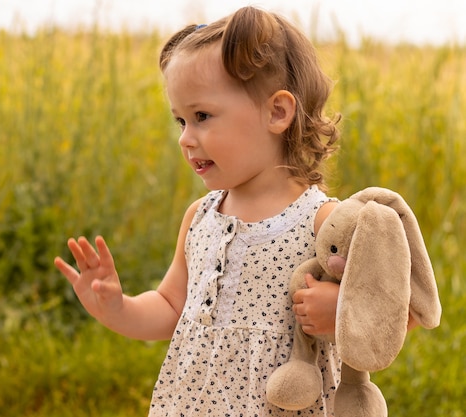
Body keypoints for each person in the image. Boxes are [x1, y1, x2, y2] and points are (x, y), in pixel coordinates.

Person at [54, 6, 344, 416]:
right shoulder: (201, 218)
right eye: (180, 121)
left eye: (202, 116)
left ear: (277, 112)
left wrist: (341, 310)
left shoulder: (322, 221)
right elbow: (171, 308)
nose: (185, 139)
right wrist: (117, 307)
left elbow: (394, 311)